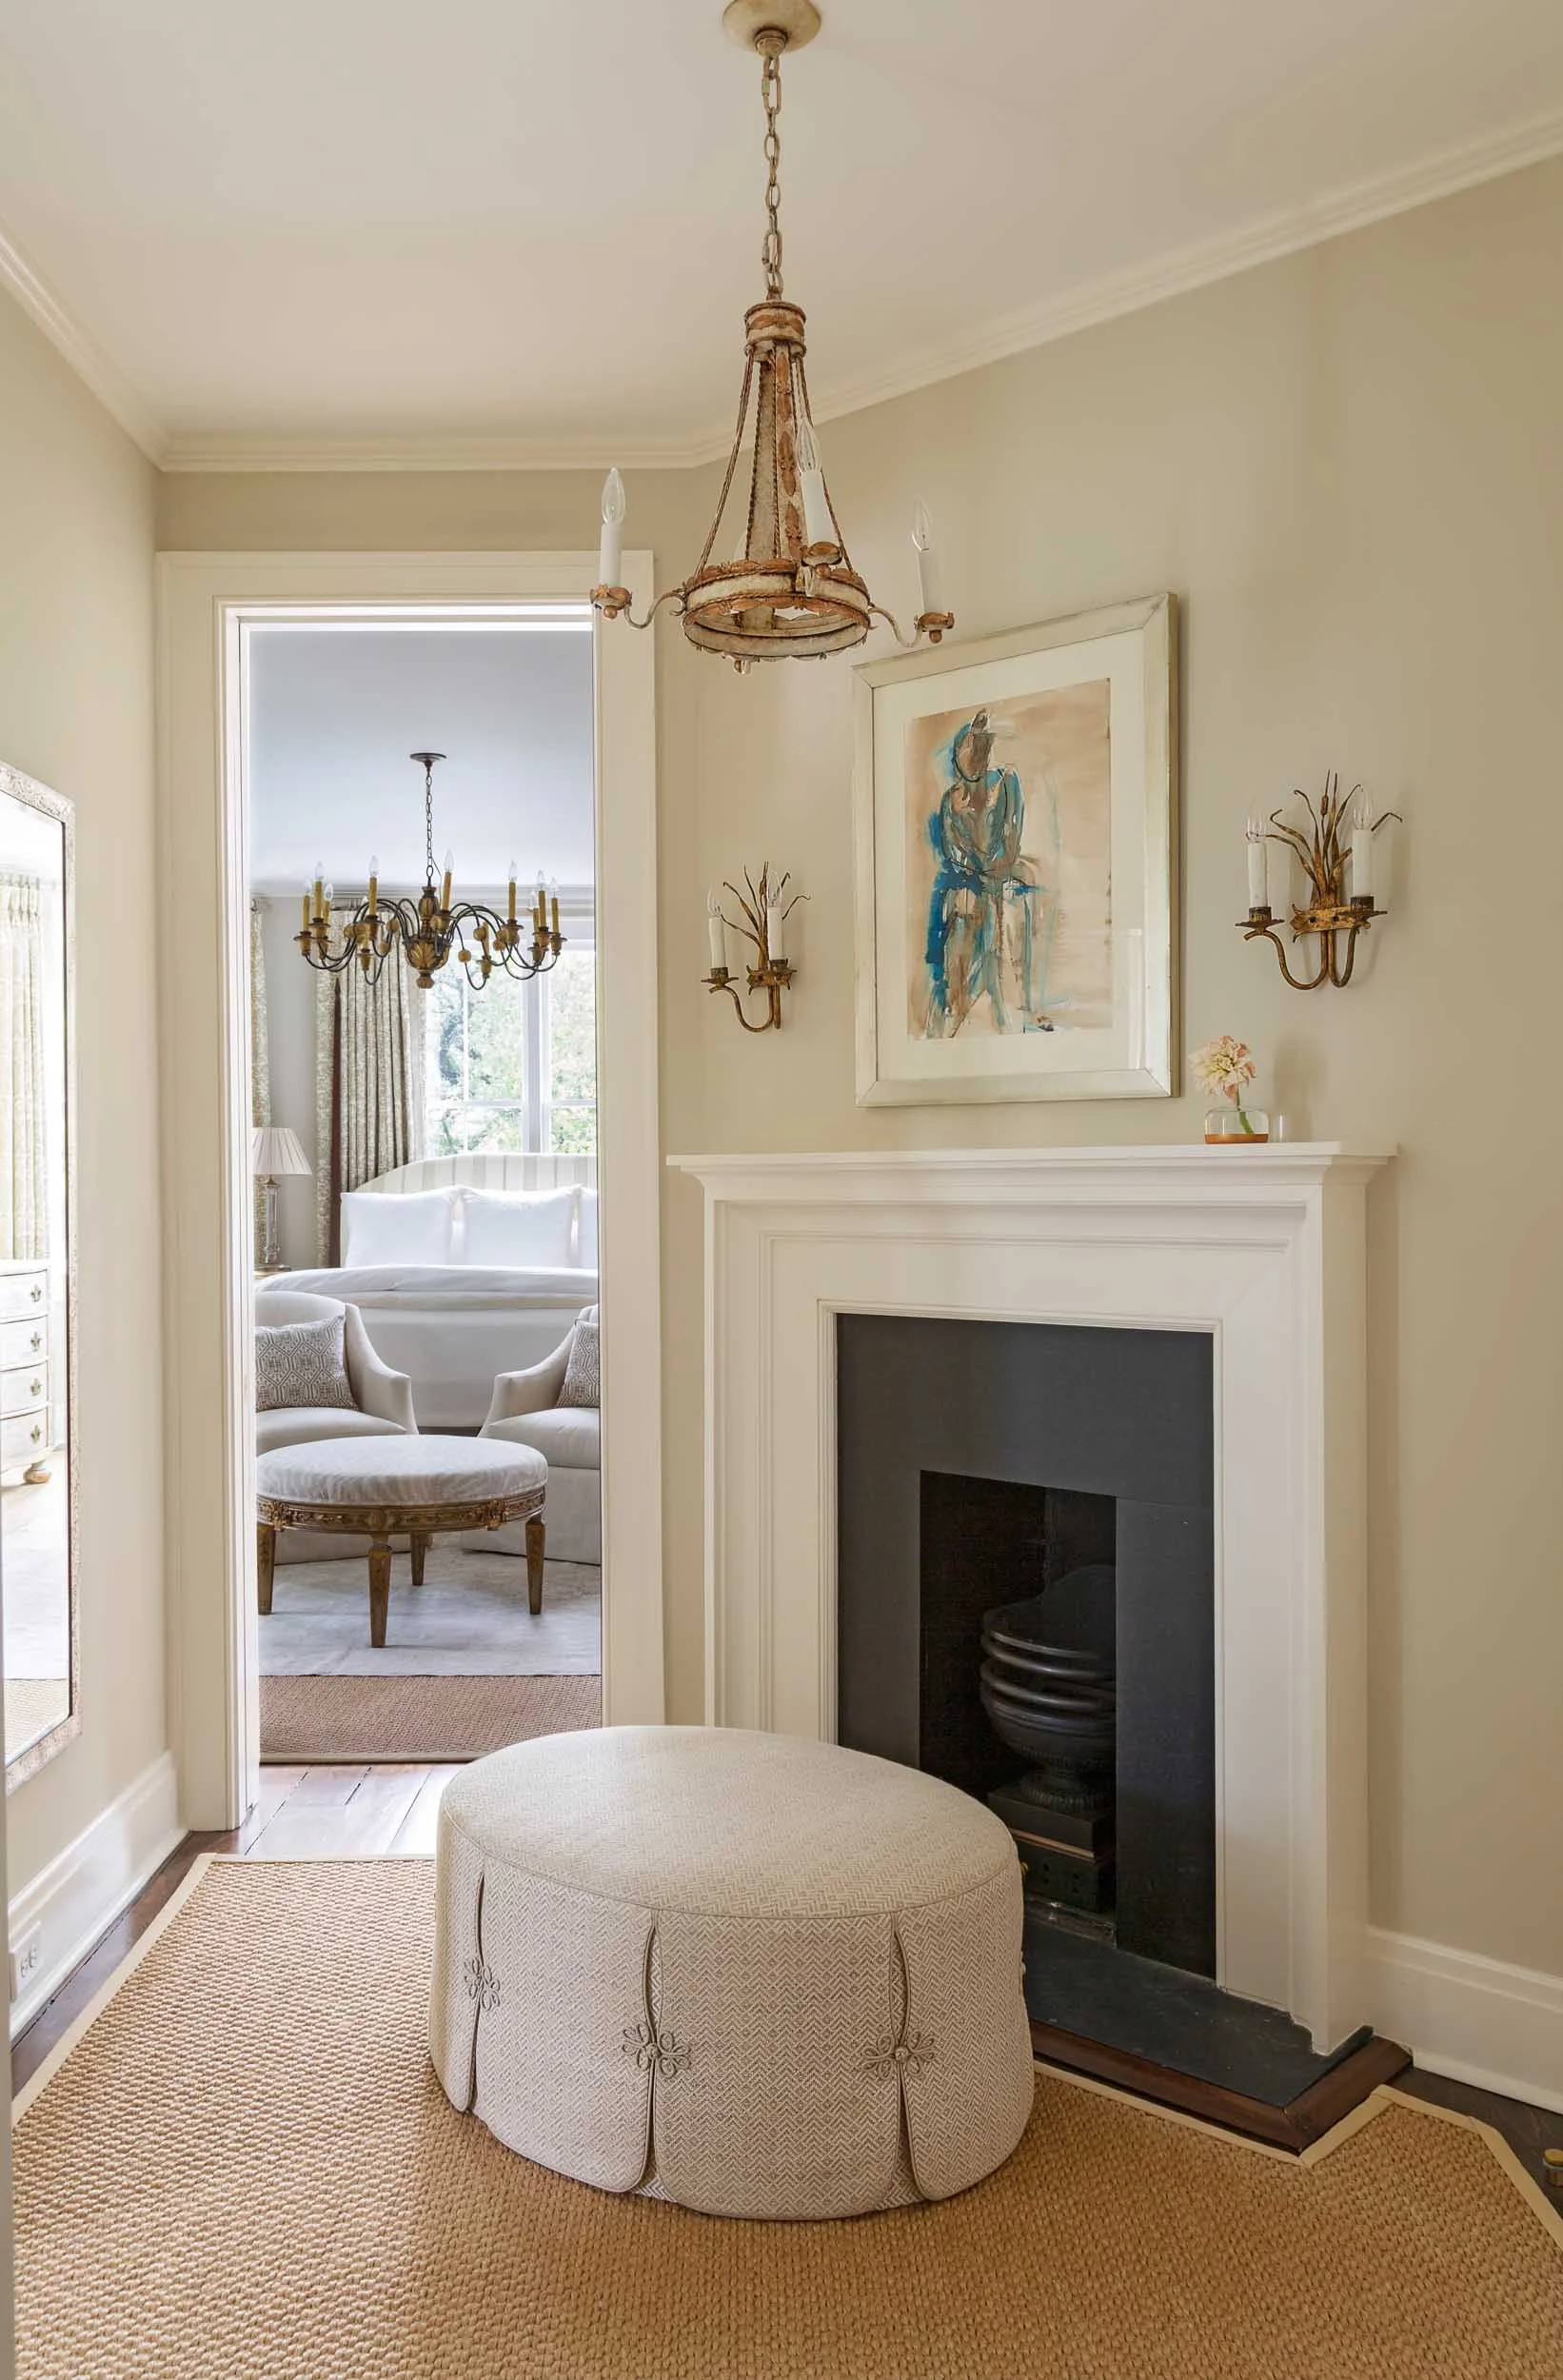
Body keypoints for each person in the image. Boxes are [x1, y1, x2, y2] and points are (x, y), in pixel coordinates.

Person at [922, 709, 1047, 1036]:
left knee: (1008, 908)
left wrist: (990, 870)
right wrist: (975, 871)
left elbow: (1011, 838)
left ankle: (1011, 1006)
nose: (973, 759)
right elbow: (952, 850)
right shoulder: (951, 800)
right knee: (959, 908)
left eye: (979, 750)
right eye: (967, 752)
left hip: (1001, 877)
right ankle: (956, 1004)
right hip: (970, 882)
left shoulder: (1006, 783)